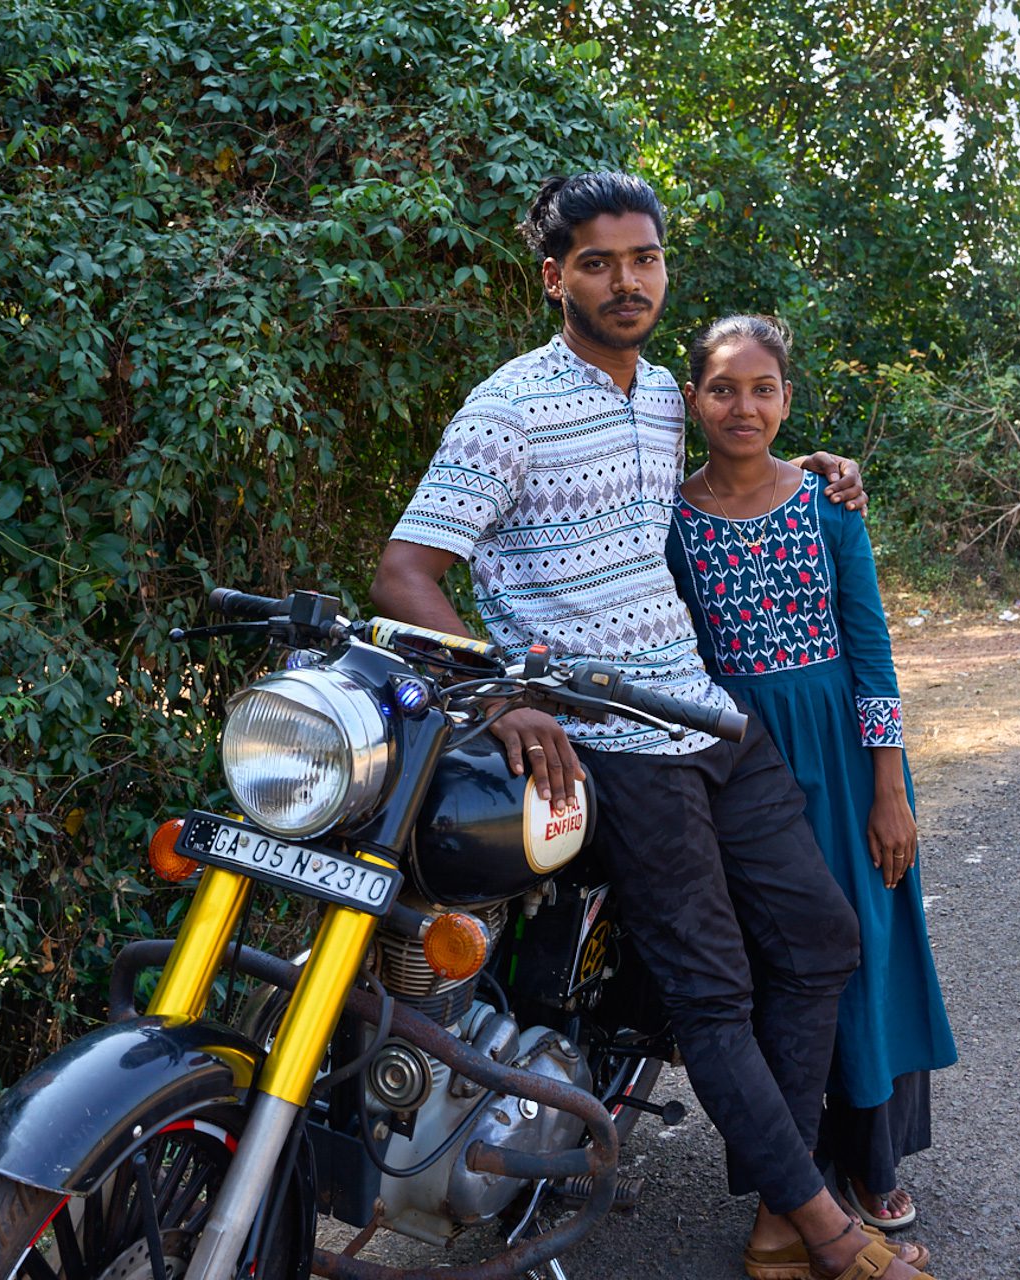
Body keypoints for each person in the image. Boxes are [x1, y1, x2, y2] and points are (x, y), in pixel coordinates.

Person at [369, 172, 940, 1280]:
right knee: (713, 986)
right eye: (597, 262)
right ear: (554, 277)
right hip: (603, 738)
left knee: (822, 938)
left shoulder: (665, 394)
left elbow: (735, 447)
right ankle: (818, 1226)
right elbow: (406, 570)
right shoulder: (510, 405)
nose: (625, 281)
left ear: (664, 269)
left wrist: (819, 467)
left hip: (703, 711)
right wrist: (513, 695)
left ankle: (783, 1204)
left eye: (644, 259)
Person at [666, 316, 957, 1245]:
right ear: (691, 401)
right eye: (723, 389)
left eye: (762, 389)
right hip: (733, 760)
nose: (743, 406)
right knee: (765, 958)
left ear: (788, 400)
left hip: (838, 754)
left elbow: (871, 650)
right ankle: (792, 1173)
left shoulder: (829, 507)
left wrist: (888, 789)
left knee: (859, 947)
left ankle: (871, 1160)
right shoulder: (668, 520)